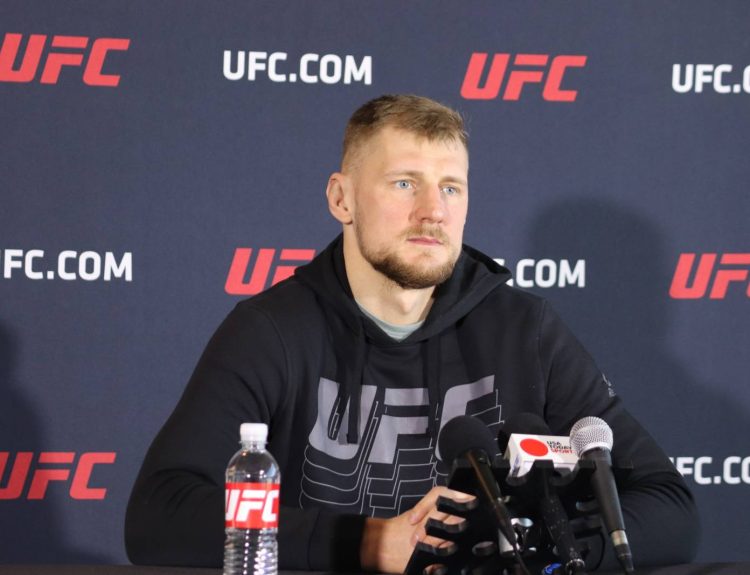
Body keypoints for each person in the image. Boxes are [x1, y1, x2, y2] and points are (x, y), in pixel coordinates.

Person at [125, 94, 700, 572]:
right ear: (341, 199)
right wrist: (371, 543)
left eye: (451, 187)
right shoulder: (272, 330)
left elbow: (670, 507)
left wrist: (542, 549)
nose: (433, 211)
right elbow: (160, 515)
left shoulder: (525, 329)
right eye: (404, 183)